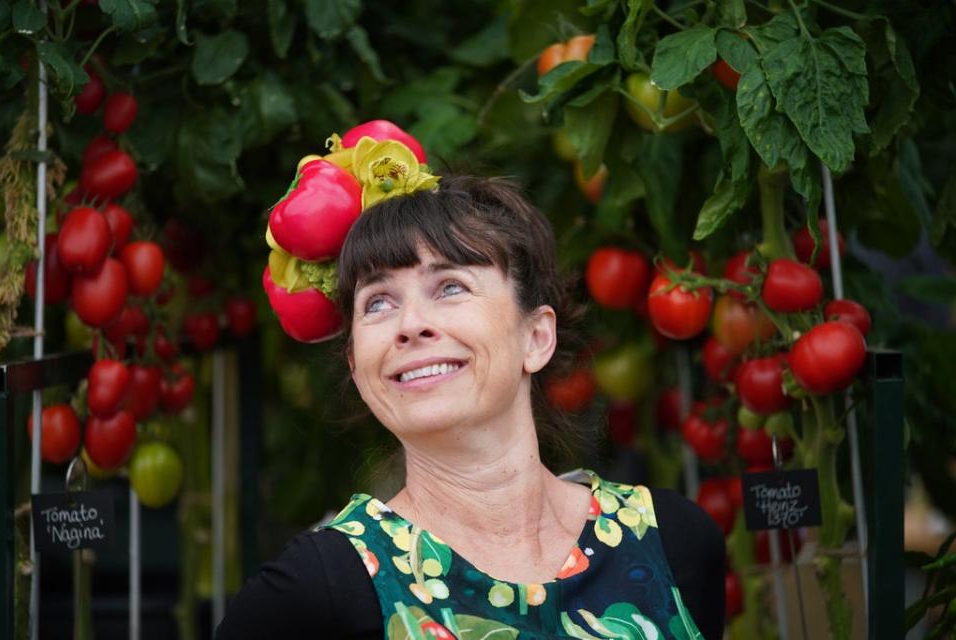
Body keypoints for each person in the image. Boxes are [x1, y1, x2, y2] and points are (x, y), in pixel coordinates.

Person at [216, 175, 726, 639]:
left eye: (450, 287)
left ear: (536, 337)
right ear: (356, 365)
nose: (410, 324)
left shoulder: (675, 542)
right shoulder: (316, 593)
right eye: (377, 302)